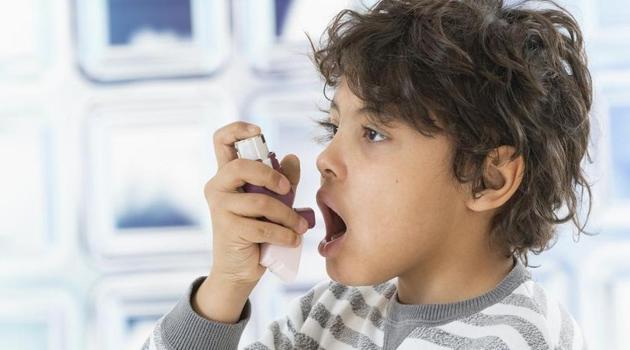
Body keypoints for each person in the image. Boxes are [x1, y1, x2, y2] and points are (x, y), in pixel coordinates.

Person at [143, 0, 593, 348]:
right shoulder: (333, 312)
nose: (325, 159)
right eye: (334, 127)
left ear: (487, 178)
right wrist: (226, 287)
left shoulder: (523, 338)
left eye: (374, 133)